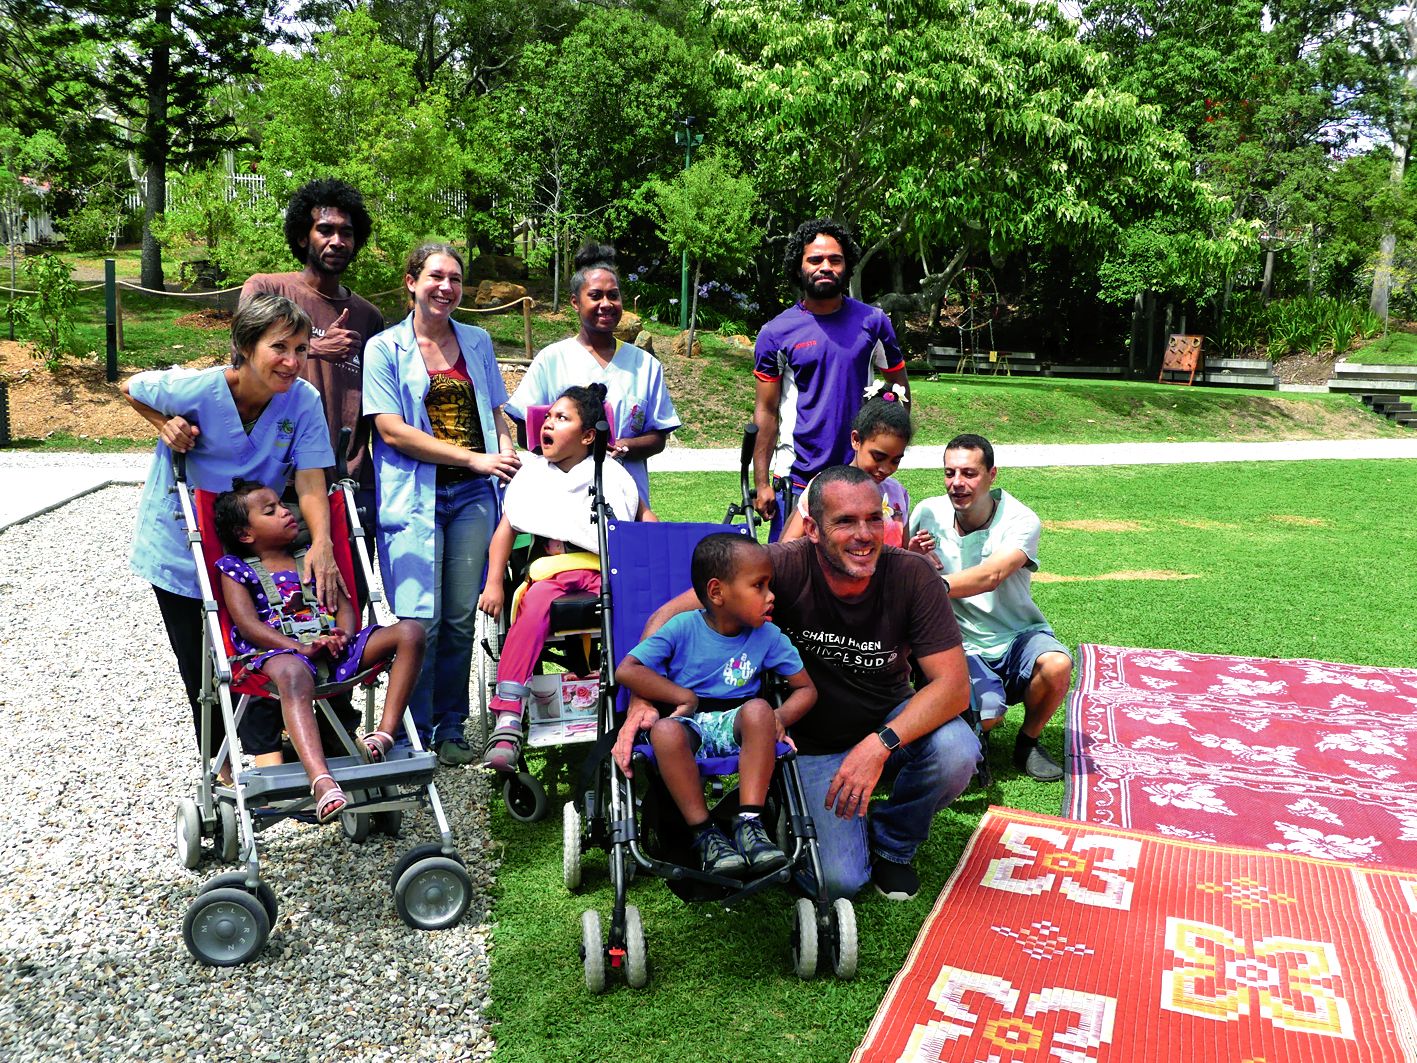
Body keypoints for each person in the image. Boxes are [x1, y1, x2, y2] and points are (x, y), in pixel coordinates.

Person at [616, 465, 976, 902]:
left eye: (874, 518)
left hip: (888, 720)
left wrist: (877, 746)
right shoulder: (778, 568)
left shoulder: (911, 575)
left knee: (957, 750)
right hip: (810, 741)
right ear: (812, 529)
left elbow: (954, 687)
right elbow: (665, 619)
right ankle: (803, 816)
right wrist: (641, 699)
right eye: (845, 521)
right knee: (839, 883)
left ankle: (891, 843)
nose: (865, 534)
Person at [124, 293, 338, 759]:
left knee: (260, 646)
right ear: (245, 345)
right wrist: (165, 424)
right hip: (181, 541)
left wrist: (321, 542)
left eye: (301, 349)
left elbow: (308, 479)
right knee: (201, 663)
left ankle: (274, 750)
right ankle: (219, 761)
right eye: (280, 347)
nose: (292, 361)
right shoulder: (199, 389)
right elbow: (133, 387)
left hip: (248, 547)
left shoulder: (303, 402)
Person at [363, 243, 520, 765]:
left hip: (474, 497)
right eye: (436, 276)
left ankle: (450, 726)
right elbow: (391, 430)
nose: (446, 287)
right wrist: (472, 459)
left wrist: (504, 448)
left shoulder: (476, 340)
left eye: (455, 278)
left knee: (456, 618)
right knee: (417, 621)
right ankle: (409, 729)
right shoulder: (385, 348)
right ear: (411, 281)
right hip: (416, 495)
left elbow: (497, 412)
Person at [212, 481, 426, 820]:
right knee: (293, 672)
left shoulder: (313, 557)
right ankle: (321, 780)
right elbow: (248, 624)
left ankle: (385, 734)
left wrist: (343, 634)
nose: (286, 511)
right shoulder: (236, 569)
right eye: (271, 511)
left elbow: (345, 606)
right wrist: (298, 647)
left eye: (283, 504)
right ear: (245, 534)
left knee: (411, 632)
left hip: (333, 648)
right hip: (279, 653)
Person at [478, 383, 657, 771]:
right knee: (537, 604)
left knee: (634, 611)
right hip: (552, 574)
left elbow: (644, 519)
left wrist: (653, 559)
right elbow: (504, 533)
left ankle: (635, 703)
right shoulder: (532, 475)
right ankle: (509, 717)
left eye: (562, 418)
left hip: (602, 570)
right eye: (548, 417)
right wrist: (494, 582)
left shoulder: (611, 473)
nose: (548, 423)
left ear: (588, 435)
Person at [615, 533, 817, 877]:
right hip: (689, 724)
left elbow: (806, 689)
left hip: (738, 725)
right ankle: (705, 833)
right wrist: (682, 697)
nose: (771, 597)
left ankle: (749, 823)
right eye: (759, 586)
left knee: (759, 710)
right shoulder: (682, 627)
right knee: (664, 730)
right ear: (717, 592)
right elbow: (627, 670)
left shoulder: (768, 636)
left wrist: (779, 716)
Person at [908, 434, 1073, 783]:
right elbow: (899, 567)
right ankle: (978, 729)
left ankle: (1028, 742)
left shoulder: (1021, 519)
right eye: (949, 473)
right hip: (956, 641)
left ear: (992, 474)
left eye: (969, 473)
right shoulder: (927, 511)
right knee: (987, 714)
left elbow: (992, 575)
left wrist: (931, 586)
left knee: (1057, 665)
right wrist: (913, 558)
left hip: (1015, 635)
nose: (957, 484)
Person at [752, 219, 909, 539]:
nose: (825, 267)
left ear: (846, 266)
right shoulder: (775, 333)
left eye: (834, 260)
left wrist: (883, 456)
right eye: (815, 260)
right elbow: (766, 412)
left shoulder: (874, 322)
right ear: (799, 267)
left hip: (860, 480)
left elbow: (900, 393)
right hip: (796, 483)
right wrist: (762, 483)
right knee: (790, 579)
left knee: (859, 575)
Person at [240, 178, 384, 524]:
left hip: (348, 481)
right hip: (278, 480)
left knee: (354, 579)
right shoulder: (267, 288)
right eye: (325, 230)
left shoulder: (369, 317)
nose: (337, 241)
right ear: (304, 236)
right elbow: (240, 357)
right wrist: (315, 348)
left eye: (346, 232)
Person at [503, 242, 680, 503]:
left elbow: (658, 437)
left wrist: (623, 446)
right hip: (562, 500)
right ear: (575, 302)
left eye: (614, 295)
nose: (606, 304)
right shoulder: (551, 359)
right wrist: (578, 450)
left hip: (627, 499)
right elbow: (524, 433)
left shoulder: (645, 365)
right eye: (596, 296)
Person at [779, 385, 934, 554]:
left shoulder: (897, 495)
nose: (885, 468)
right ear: (856, 440)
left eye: (895, 460)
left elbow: (901, 552)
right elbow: (788, 545)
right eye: (878, 457)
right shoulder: (826, 486)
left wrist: (914, 552)